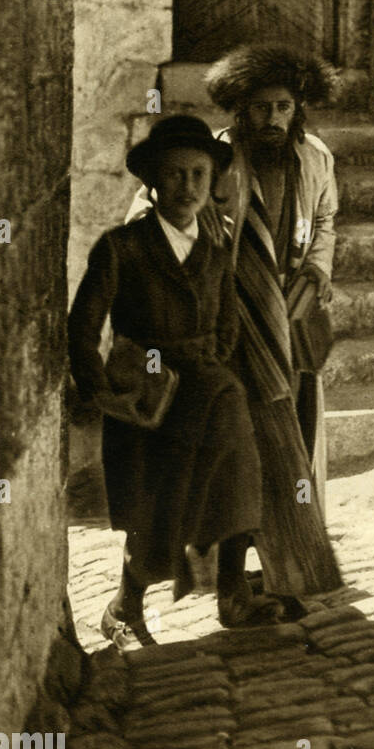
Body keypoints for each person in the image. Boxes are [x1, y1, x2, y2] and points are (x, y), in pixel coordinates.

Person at [128, 45, 341, 598]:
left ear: (298, 110)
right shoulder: (210, 158)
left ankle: (266, 570)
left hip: (289, 326)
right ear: (239, 111)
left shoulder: (315, 158)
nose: (273, 120)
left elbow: (326, 220)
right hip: (225, 333)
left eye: (284, 108)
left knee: (285, 448)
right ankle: (191, 579)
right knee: (225, 458)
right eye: (261, 108)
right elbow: (147, 215)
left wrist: (316, 273)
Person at [68, 116, 276, 643]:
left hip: (212, 393)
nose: (187, 188)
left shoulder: (215, 247)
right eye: (175, 175)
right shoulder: (122, 247)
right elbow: (84, 325)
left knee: (239, 486)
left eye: (198, 176)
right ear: (154, 183)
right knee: (156, 511)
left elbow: (227, 324)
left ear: (211, 182)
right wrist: (103, 393)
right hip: (150, 404)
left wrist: (212, 362)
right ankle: (124, 605)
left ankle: (232, 593)